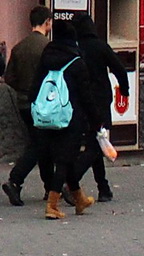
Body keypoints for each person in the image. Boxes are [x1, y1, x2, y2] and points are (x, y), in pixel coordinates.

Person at [32, 19, 103, 220]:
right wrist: (96, 120)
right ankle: (52, 205)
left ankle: (79, 199)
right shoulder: (77, 62)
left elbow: (36, 85)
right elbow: (86, 95)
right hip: (71, 117)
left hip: (49, 115)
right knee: (64, 160)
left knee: (67, 159)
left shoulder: (46, 57)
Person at [73, 13, 129, 201]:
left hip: (81, 101)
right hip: (100, 100)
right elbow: (119, 68)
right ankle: (71, 180)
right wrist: (125, 89)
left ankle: (103, 188)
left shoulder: (75, 48)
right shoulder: (100, 46)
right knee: (96, 145)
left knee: (94, 141)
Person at [2, 6, 54, 207]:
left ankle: (50, 187)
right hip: (44, 105)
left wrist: (23, 89)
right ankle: (15, 180)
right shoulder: (47, 47)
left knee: (42, 143)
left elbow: (9, 77)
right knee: (40, 145)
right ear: (47, 21)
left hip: (23, 103)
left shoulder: (19, 47)